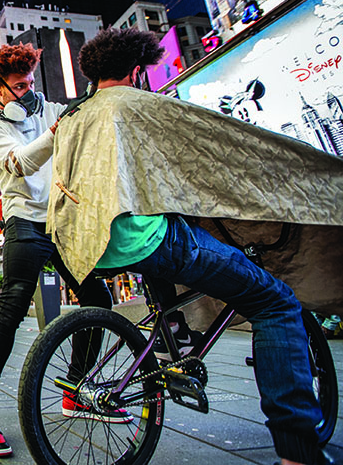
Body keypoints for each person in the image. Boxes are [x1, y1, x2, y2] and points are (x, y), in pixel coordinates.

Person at [49, 27, 333, 465]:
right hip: (144, 236)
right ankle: (298, 451)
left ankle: (171, 343)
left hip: (90, 244)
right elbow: (221, 148)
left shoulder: (70, 118)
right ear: (138, 70)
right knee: (275, 303)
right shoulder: (140, 104)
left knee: (165, 274)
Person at [0, 43, 124, 458]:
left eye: (31, 81)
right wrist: (54, 134)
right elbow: (19, 164)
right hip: (24, 220)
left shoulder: (50, 111)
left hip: (63, 219)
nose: (29, 90)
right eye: (19, 85)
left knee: (97, 298)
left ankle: (74, 389)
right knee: (14, 303)